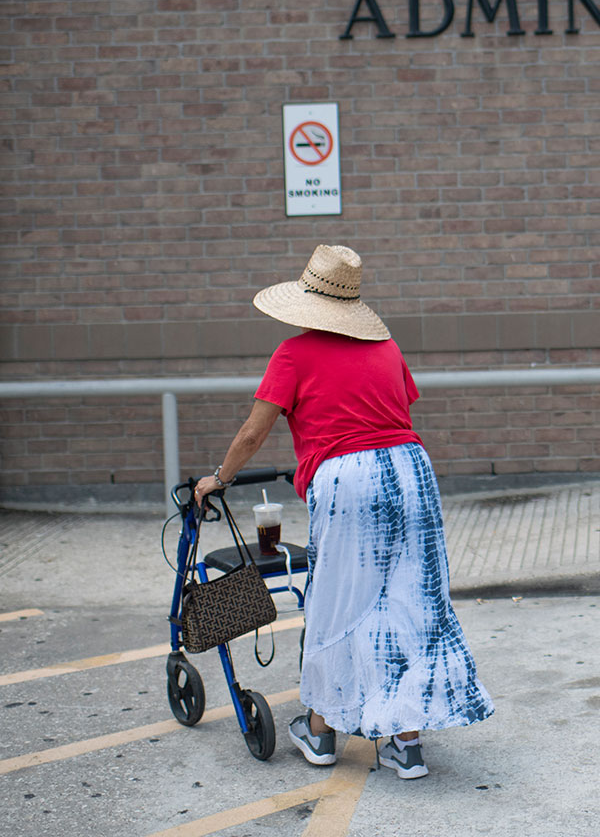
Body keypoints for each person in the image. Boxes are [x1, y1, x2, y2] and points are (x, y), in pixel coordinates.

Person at [193, 244, 493, 778]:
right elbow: (395, 411)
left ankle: (321, 731)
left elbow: (254, 431)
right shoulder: (386, 348)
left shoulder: (293, 353)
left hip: (348, 479)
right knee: (409, 603)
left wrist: (220, 478)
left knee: (337, 601)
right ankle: (406, 743)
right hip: (411, 472)